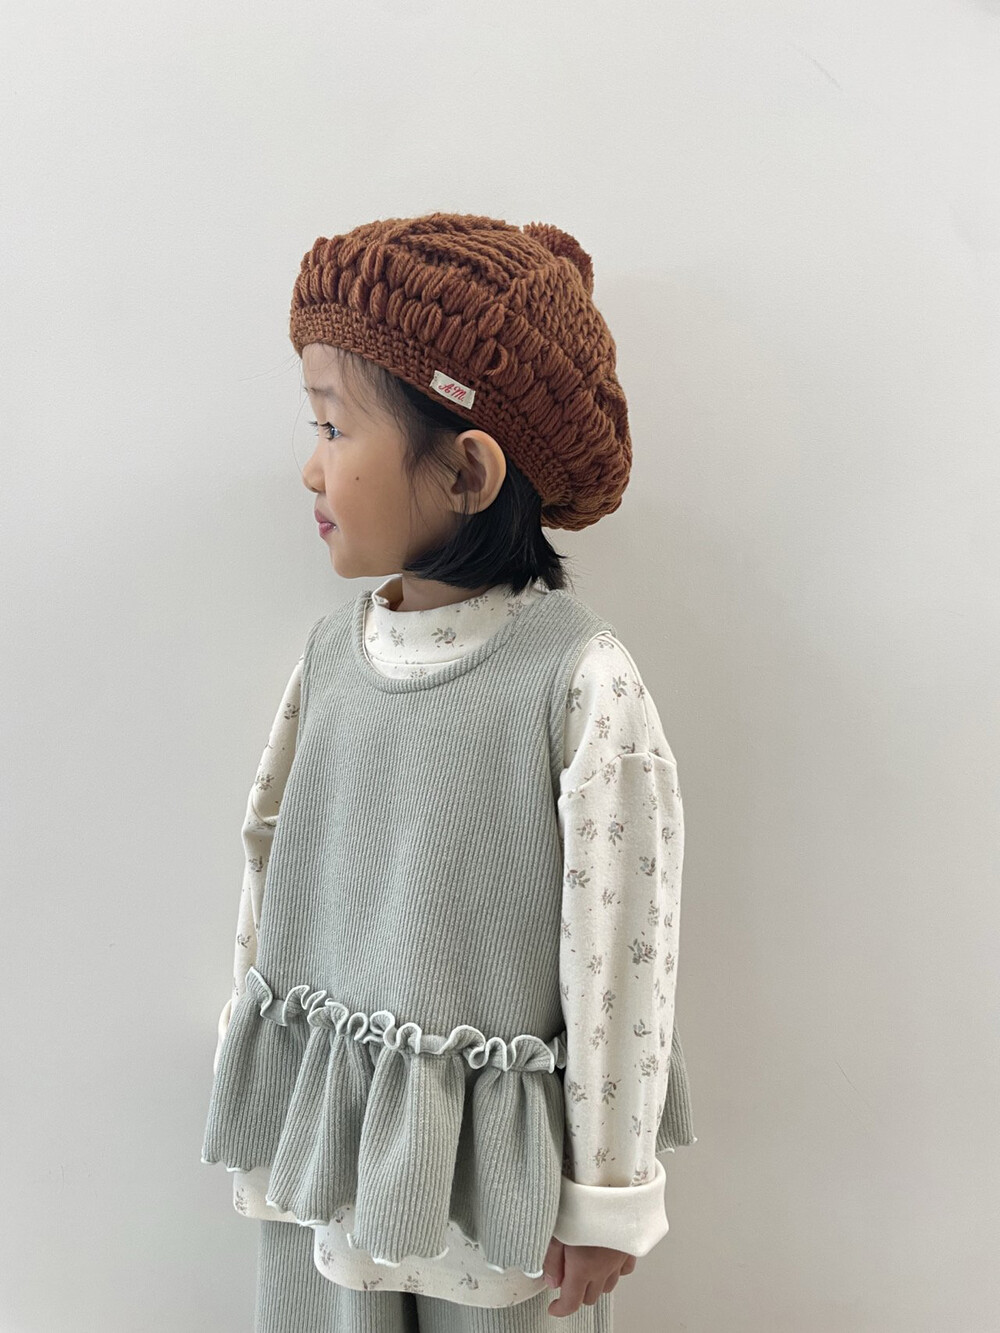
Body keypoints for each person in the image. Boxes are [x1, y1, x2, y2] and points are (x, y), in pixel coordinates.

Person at [201, 212, 696, 1332]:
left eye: (335, 425)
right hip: (334, 1157)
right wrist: (258, 1062)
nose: (310, 464)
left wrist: (608, 1190)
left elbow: (621, 950)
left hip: (495, 1194)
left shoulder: (580, 683)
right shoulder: (331, 656)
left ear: (468, 469)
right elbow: (271, 862)